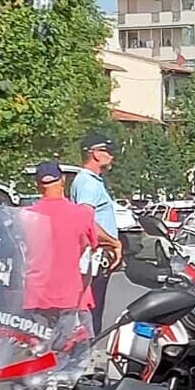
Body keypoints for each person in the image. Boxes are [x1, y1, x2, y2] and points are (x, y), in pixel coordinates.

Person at [24, 162, 99, 348]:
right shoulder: (81, 214)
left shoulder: (26, 216)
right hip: (70, 296)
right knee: (73, 355)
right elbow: (92, 246)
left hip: (36, 295)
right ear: (63, 180)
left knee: (37, 354)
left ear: (38, 185)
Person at [70, 133, 123, 335]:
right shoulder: (88, 183)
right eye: (108, 152)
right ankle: (83, 357)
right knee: (90, 311)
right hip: (93, 256)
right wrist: (113, 242)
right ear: (95, 153)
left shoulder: (92, 181)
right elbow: (85, 221)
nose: (112, 157)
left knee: (93, 309)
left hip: (97, 255)